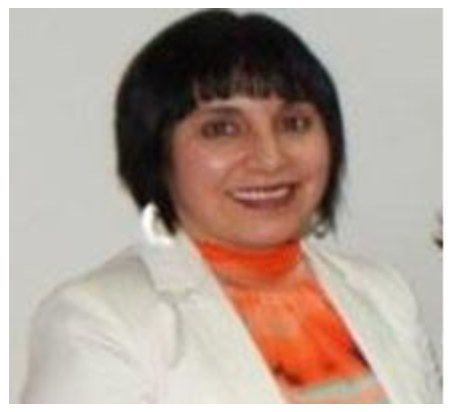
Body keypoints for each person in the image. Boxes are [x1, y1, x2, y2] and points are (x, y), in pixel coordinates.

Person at [21, 9, 441, 404]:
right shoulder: (100, 320)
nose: (271, 158)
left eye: (293, 123)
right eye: (222, 129)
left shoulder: (382, 292)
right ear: (155, 153)